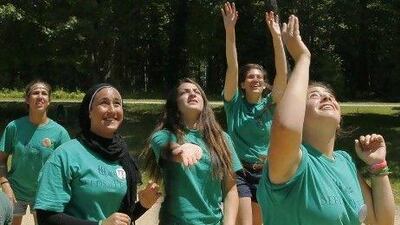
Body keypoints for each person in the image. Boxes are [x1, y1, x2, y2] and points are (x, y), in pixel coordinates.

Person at [256, 15, 395, 225]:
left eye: (330, 96)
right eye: (313, 96)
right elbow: (285, 127)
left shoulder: (345, 162)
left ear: (339, 120)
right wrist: (303, 58)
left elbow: (382, 221)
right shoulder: (293, 162)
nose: (327, 97)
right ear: (298, 113)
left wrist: (378, 166)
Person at [34, 83, 161, 225]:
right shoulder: (65, 155)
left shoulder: (122, 156)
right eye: (104, 103)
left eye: (117, 103)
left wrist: (143, 205)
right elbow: (46, 218)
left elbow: (118, 219)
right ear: (89, 111)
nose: (112, 109)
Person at [221, 2, 287, 224]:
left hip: (265, 173)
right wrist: (230, 30)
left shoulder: (271, 103)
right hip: (238, 172)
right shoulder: (234, 104)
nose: (256, 79)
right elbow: (232, 66)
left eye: (260, 77)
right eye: (250, 76)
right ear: (242, 84)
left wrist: (277, 36)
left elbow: (283, 75)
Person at [143, 78, 242, 225]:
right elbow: (170, 151)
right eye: (185, 92)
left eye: (197, 92)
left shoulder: (222, 139)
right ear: (175, 103)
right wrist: (182, 150)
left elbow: (230, 188)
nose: (192, 94)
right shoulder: (163, 135)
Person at [0, 80, 70, 225]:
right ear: (27, 99)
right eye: (35, 93)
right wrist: (5, 185)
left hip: (44, 194)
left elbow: (67, 168)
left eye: (44, 93)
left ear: (49, 100)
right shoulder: (14, 127)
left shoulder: (59, 133)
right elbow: (1, 160)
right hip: (15, 191)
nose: (40, 96)